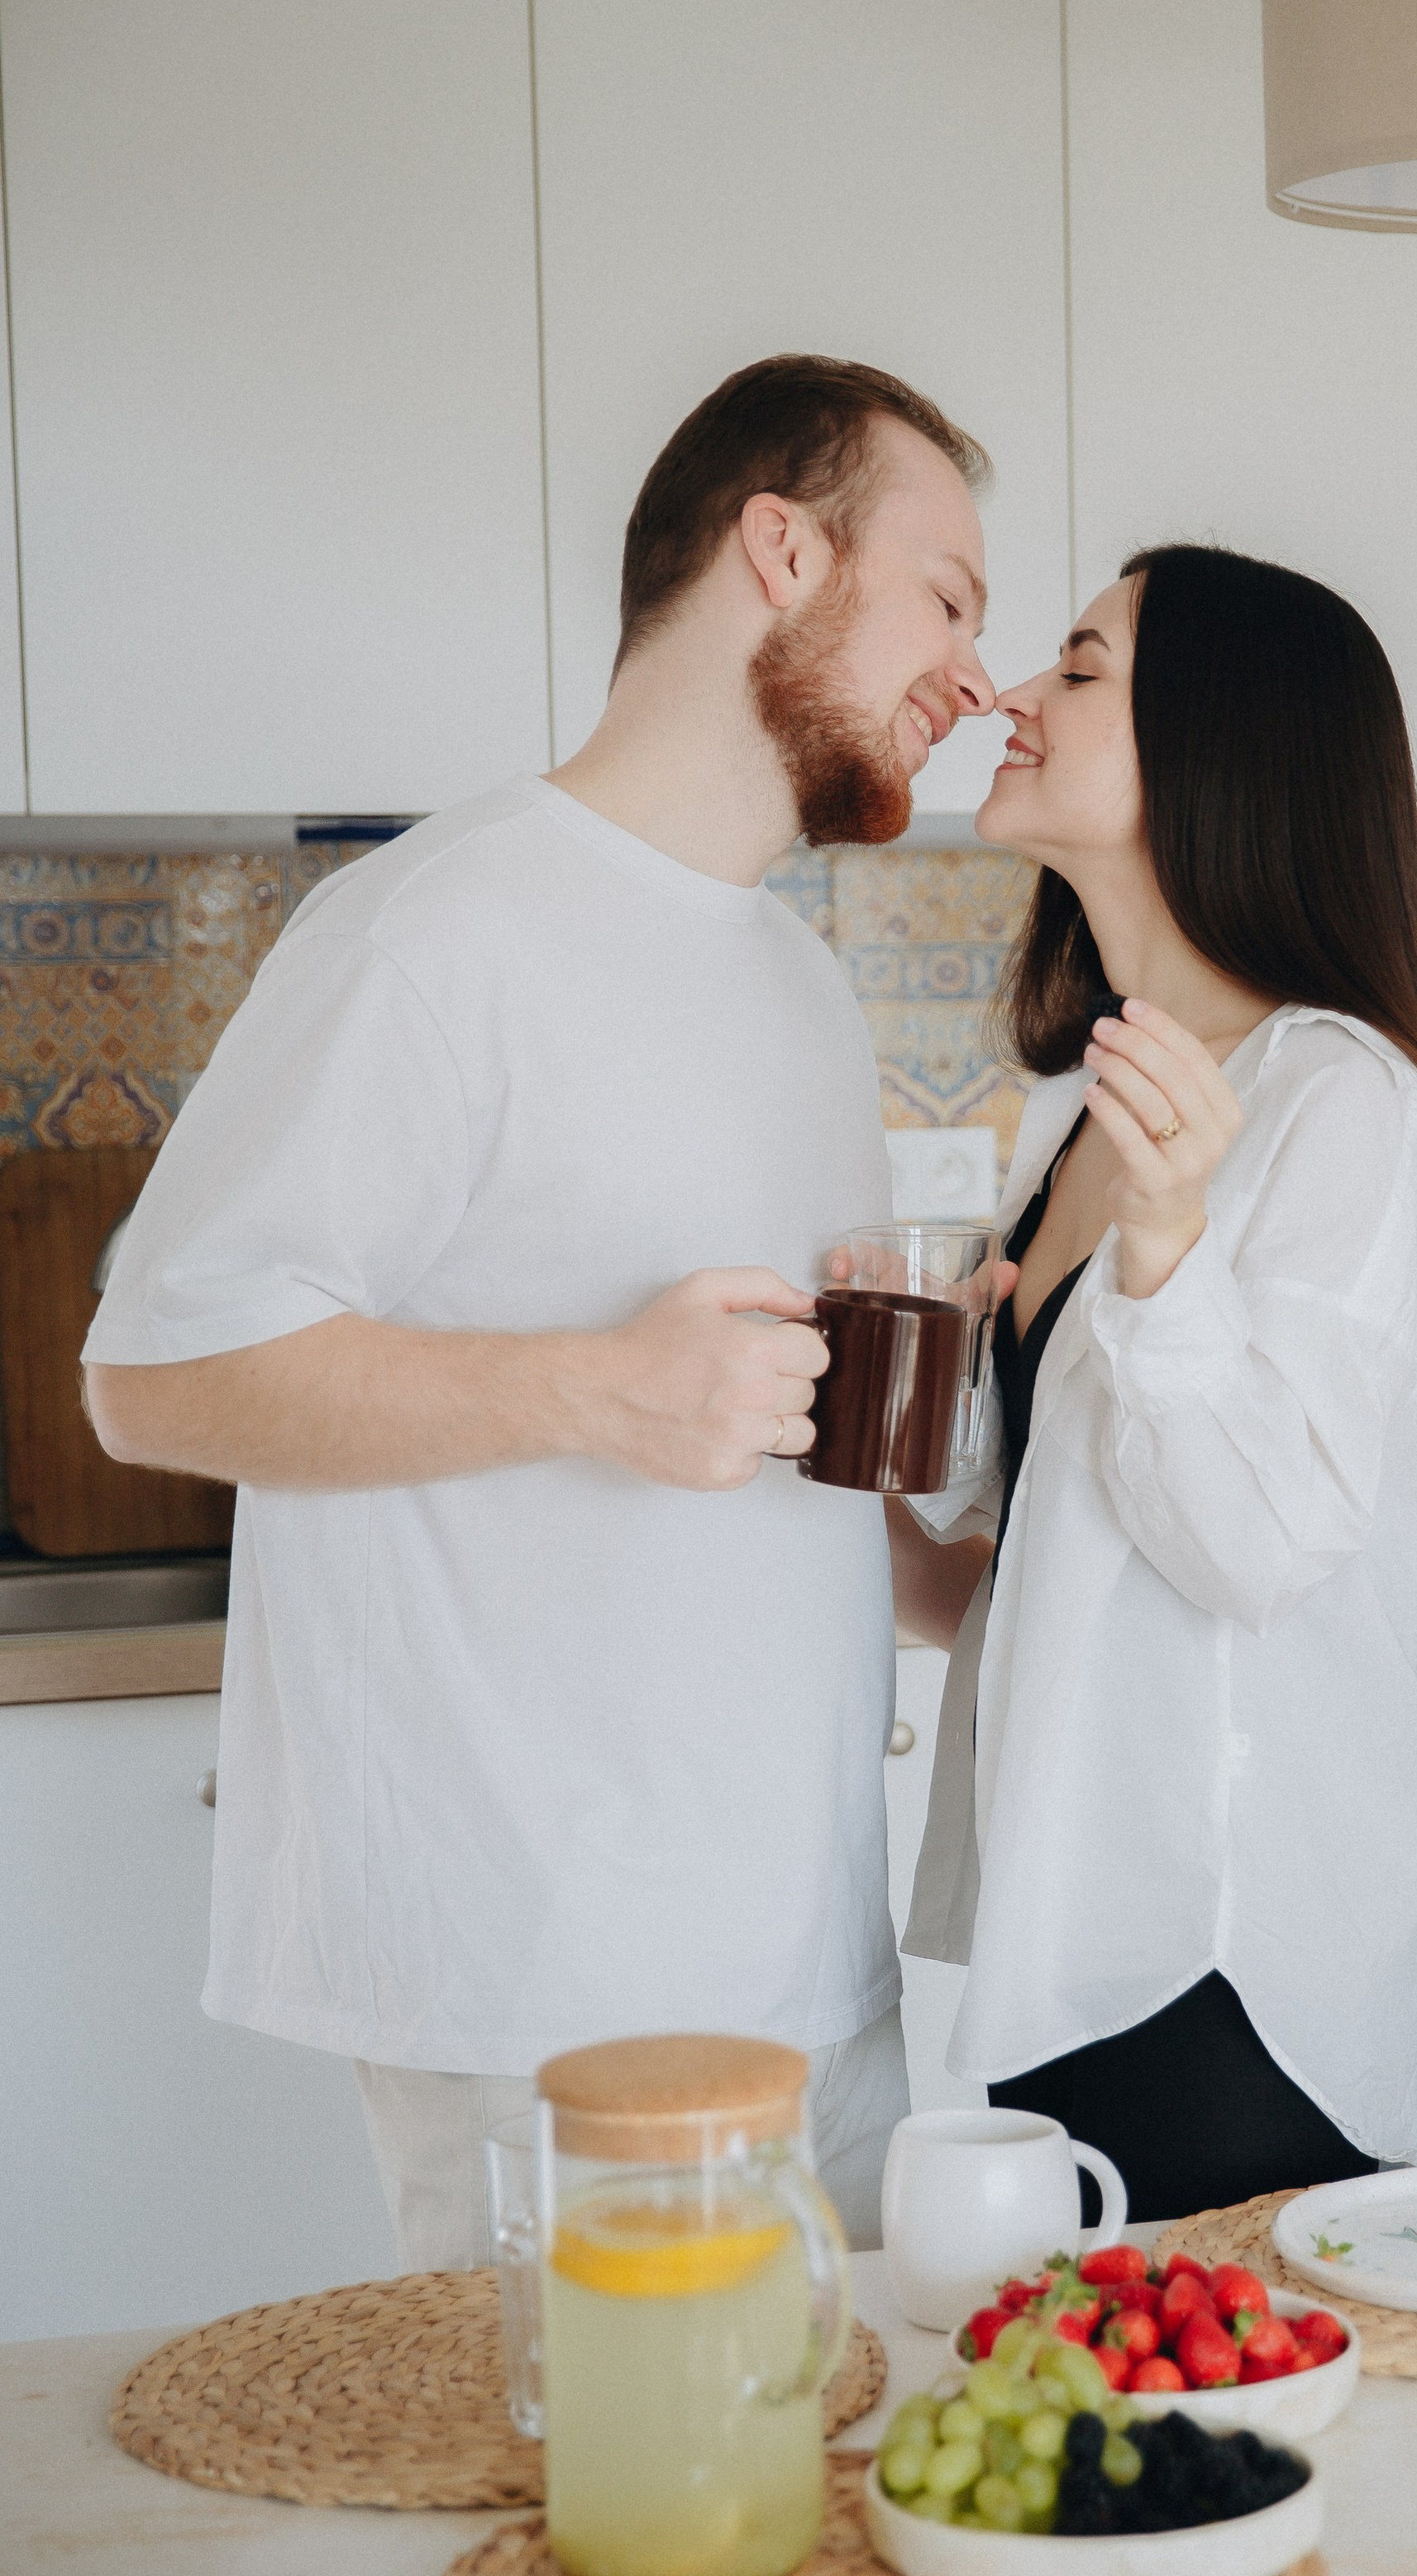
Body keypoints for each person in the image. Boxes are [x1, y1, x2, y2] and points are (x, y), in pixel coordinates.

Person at [83, 354, 999, 2263]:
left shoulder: (796, 987)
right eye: (948, 597)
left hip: (812, 1962)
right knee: (588, 2549)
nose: (973, 676)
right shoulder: (435, 933)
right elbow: (154, 1376)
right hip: (541, 1990)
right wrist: (598, 1388)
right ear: (779, 547)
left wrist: (961, 1513)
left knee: (821, 2537)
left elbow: (763, 1453)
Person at [891, 544, 1417, 2222]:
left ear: (1222, 749)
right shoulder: (1077, 1121)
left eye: (1078, 669)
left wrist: (1169, 1243)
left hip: (1231, 1955)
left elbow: (1250, 1546)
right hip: (1074, 1928)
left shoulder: (1348, 1115)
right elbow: (1014, 1581)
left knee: (1227, 2452)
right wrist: (889, 1404)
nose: (1010, 700)